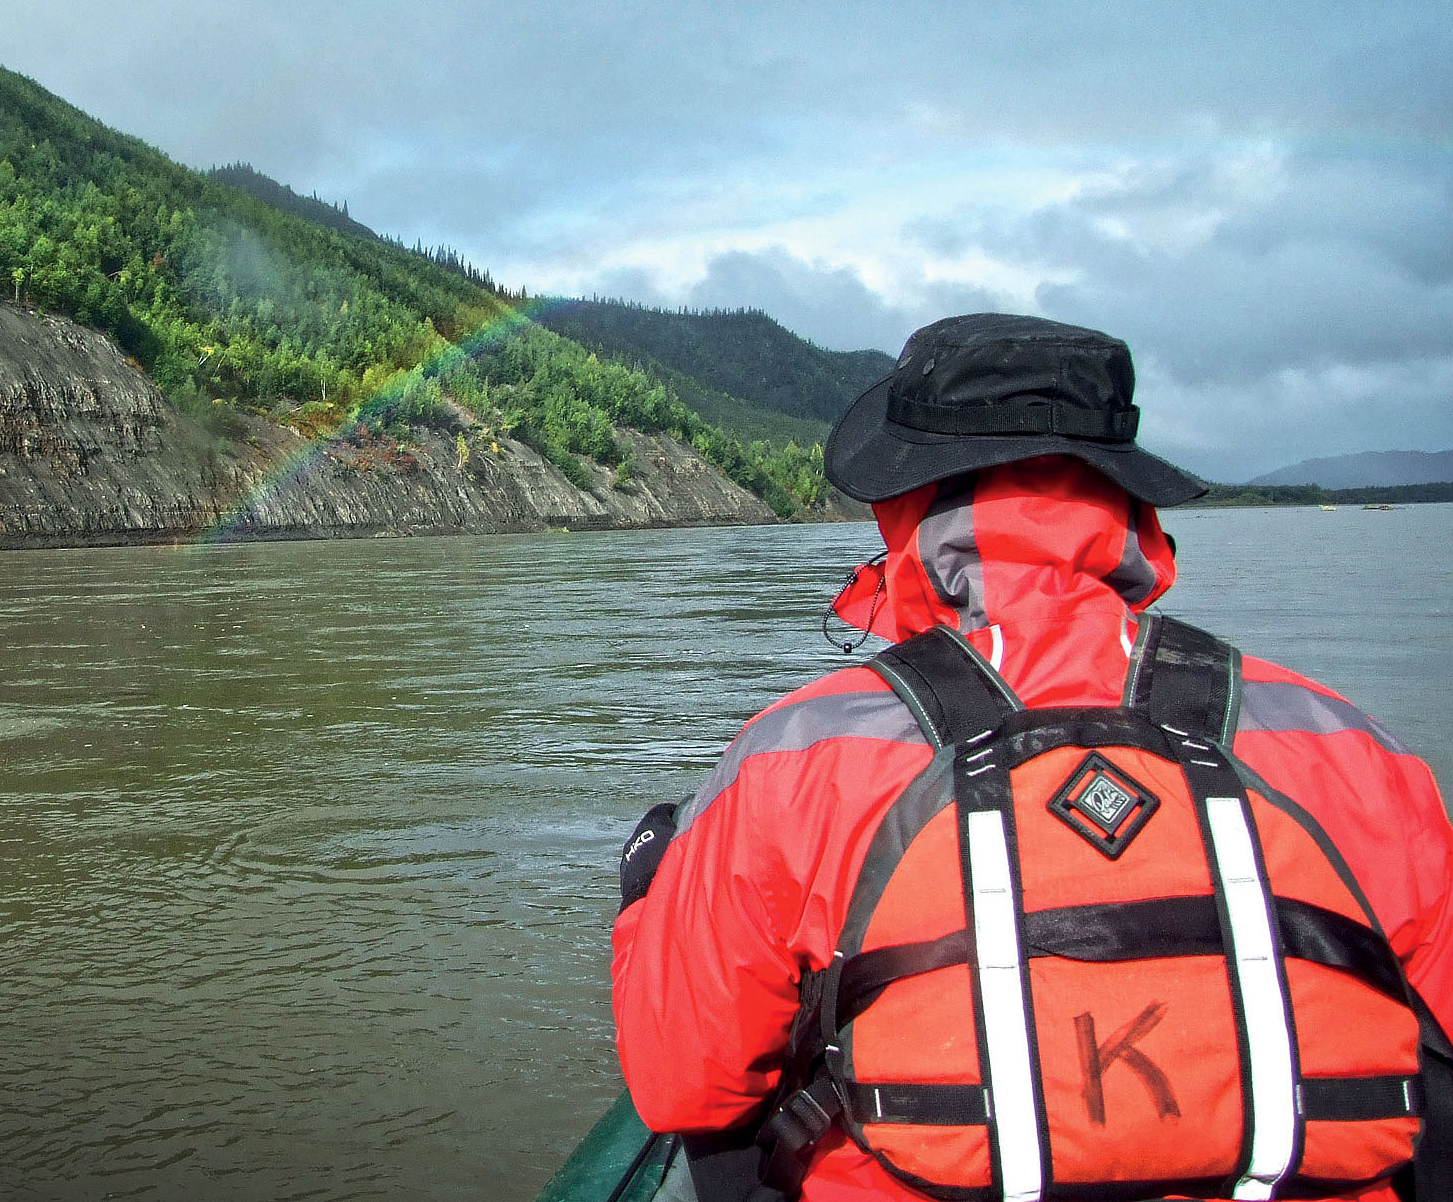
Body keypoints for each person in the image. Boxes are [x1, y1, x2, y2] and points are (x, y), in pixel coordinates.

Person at [610, 314, 1453, 1201]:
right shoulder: (1356, 747)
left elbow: (683, 1083)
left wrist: (648, 898)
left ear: (908, 508)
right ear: (1131, 511)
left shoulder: (795, 757)